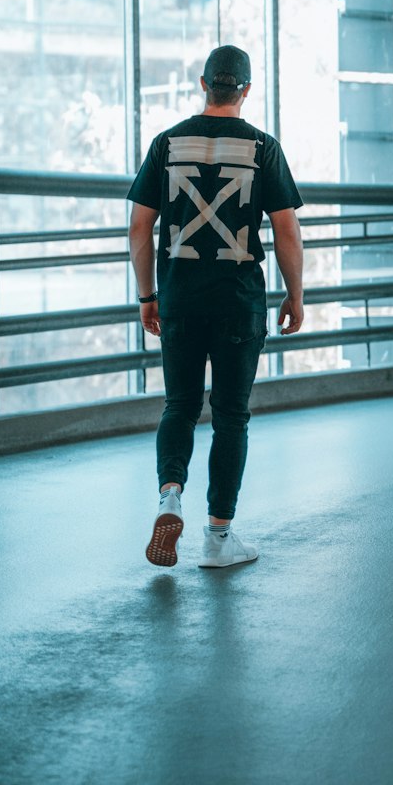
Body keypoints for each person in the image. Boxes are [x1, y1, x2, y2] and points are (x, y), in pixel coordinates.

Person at [127, 44, 305, 570]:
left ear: (203, 84)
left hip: (179, 298)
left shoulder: (166, 144)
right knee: (230, 415)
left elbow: (139, 228)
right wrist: (294, 294)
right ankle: (219, 537)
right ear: (246, 89)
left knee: (179, 405)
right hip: (238, 303)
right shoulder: (263, 148)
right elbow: (287, 231)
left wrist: (147, 295)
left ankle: (169, 496)